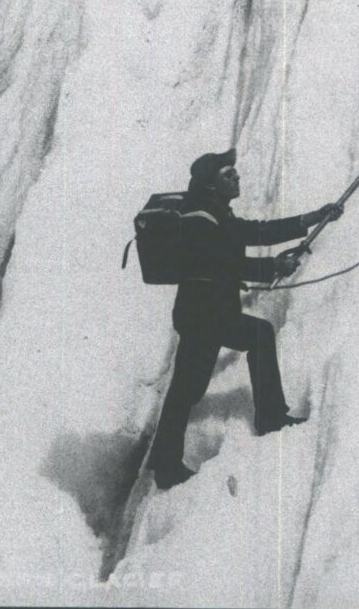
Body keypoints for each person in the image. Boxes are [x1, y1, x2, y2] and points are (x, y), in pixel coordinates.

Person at [146, 148, 342, 490]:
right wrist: (271, 267)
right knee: (191, 385)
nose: (236, 177)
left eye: (234, 172)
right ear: (211, 184)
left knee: (196, 381)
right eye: (228, 174)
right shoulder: (200, 217)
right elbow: (219, 263)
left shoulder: (214, 212)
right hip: (203, 315)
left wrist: (311, 218)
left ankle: (266, 417)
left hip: (208, 313)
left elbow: (255, 232)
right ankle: (169, 464)